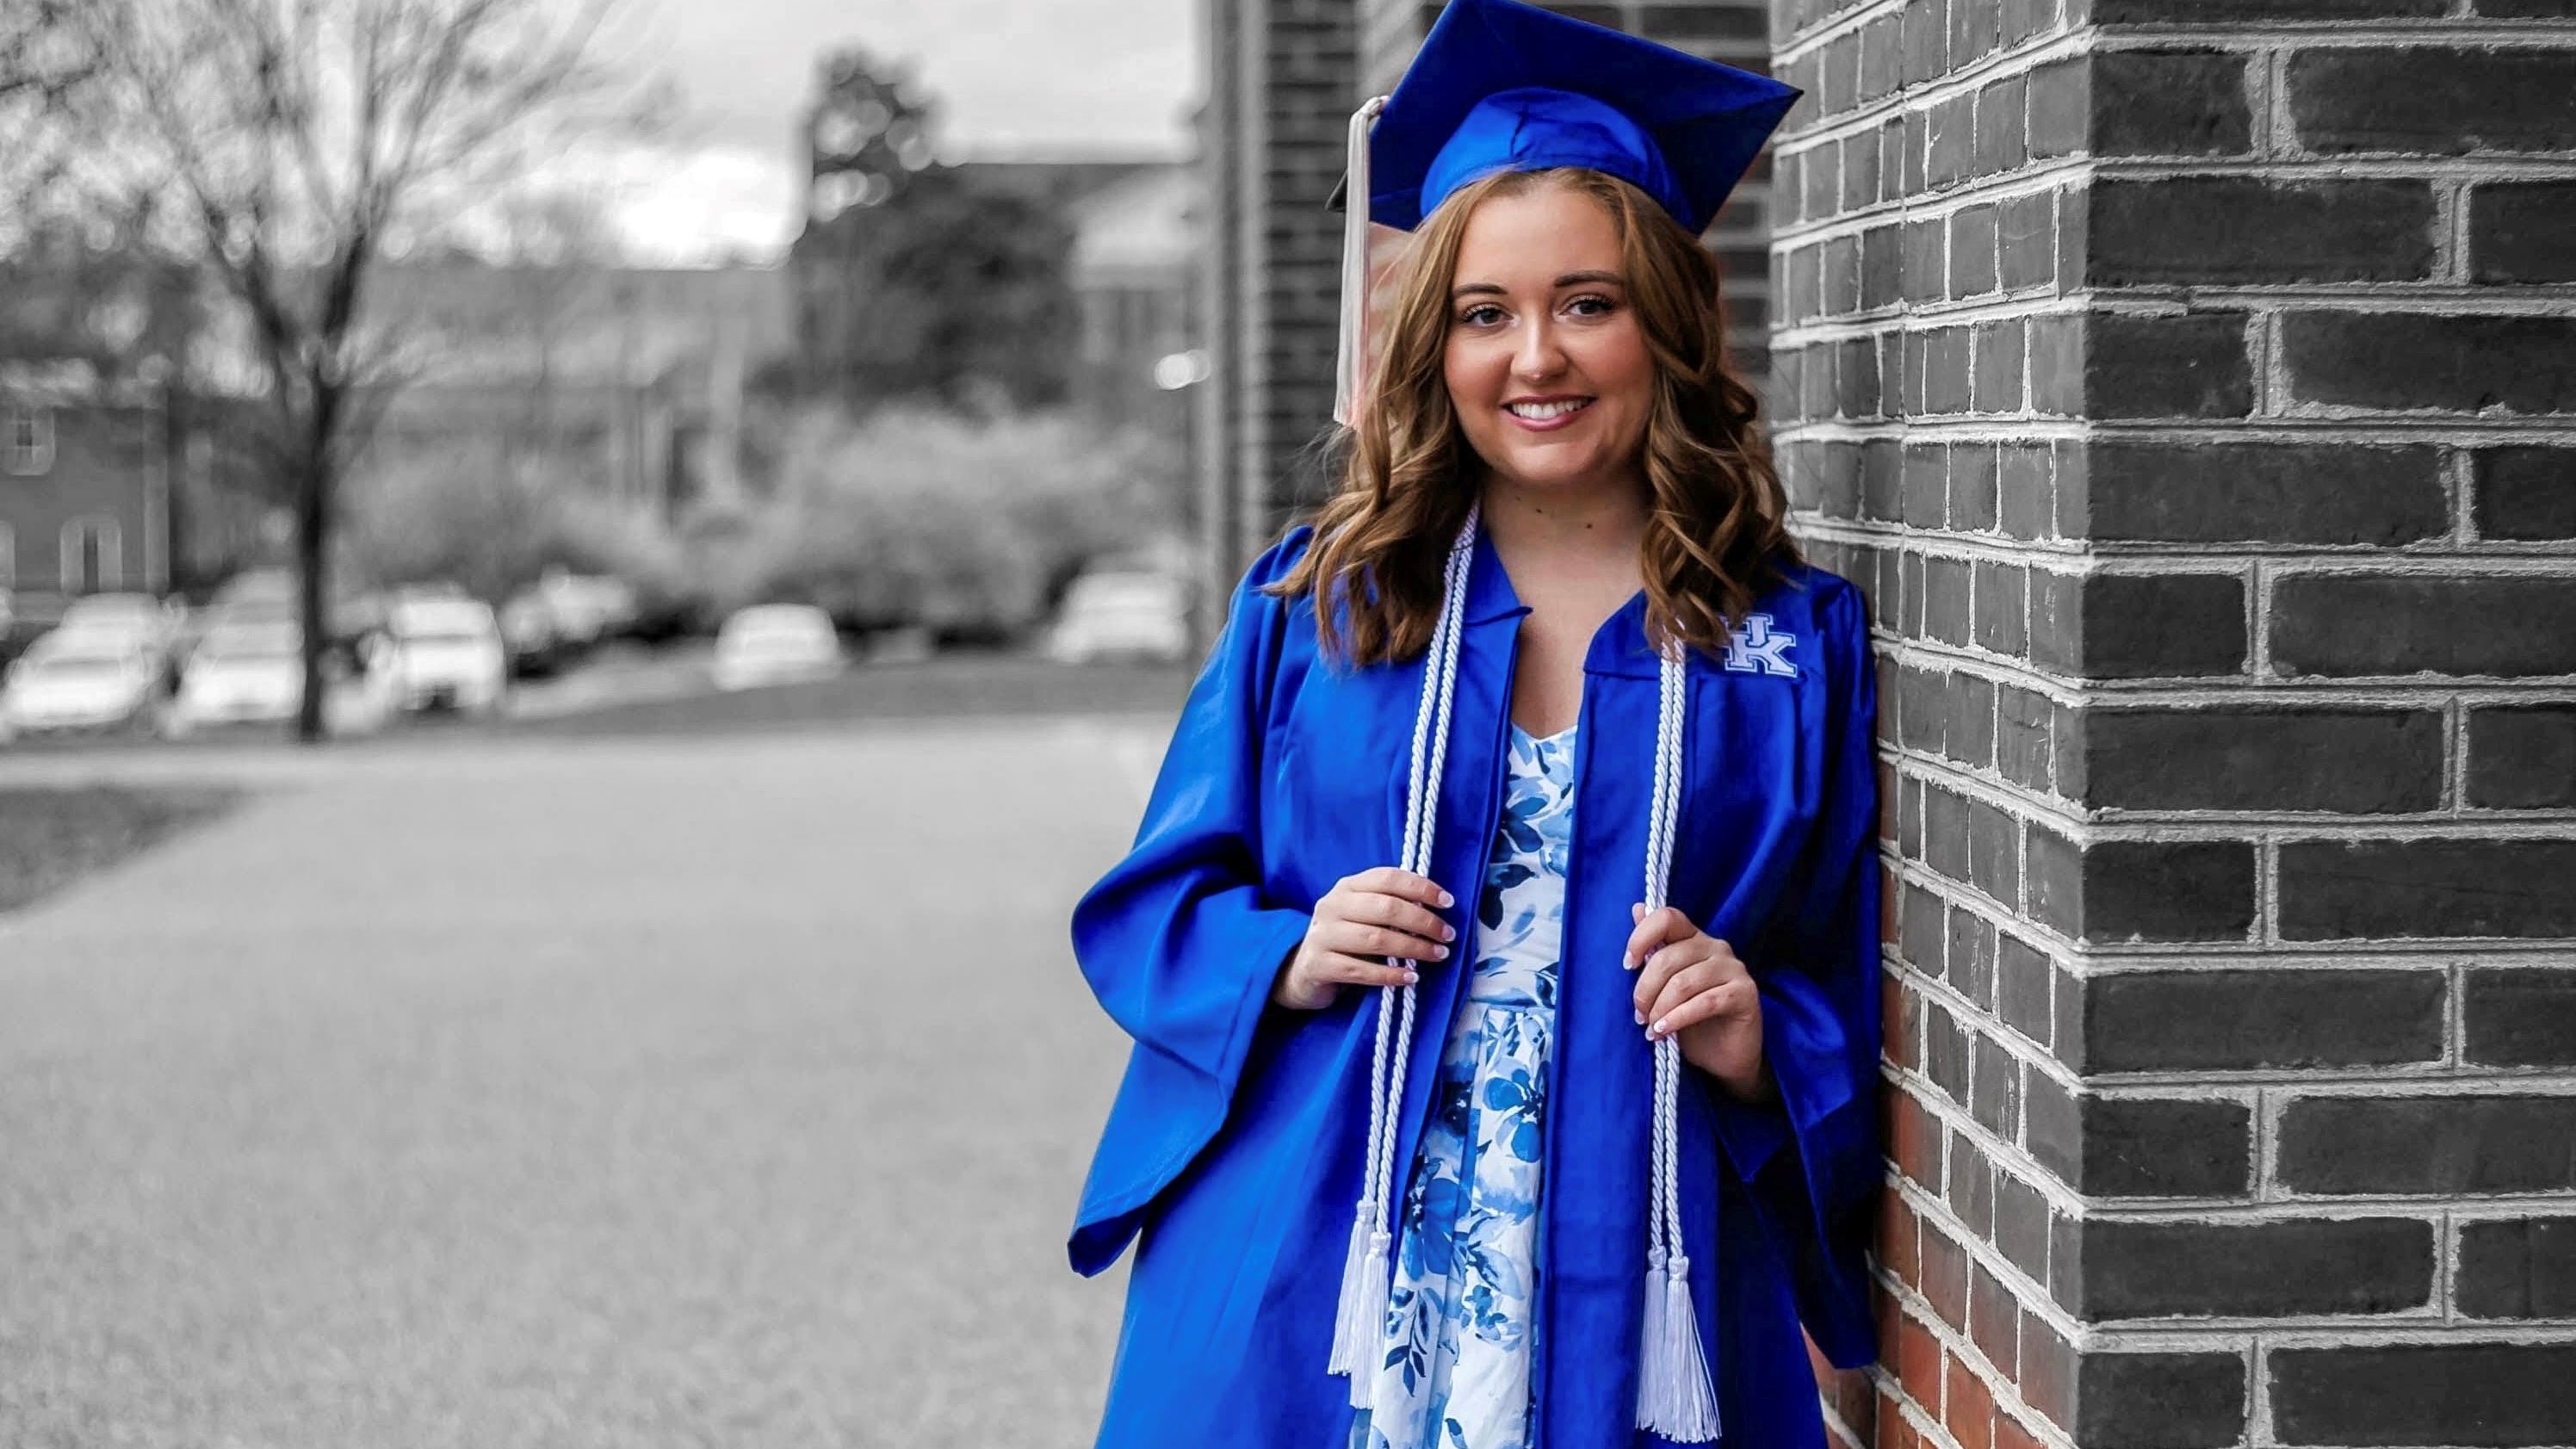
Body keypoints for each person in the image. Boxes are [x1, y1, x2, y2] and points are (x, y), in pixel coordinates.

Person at [1068, 3, 1881, 1446]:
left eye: (1588, 301)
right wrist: (1290, 952)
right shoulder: (1322, 608)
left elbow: (1840, 965)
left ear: (1667, 323)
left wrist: (1759, 1036)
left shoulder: (1784, 643)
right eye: (1483, 313)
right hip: (1334, 1239)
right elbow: (1156, 906)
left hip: (1640, 1244)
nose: (1536, 358)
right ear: (1432, 345)